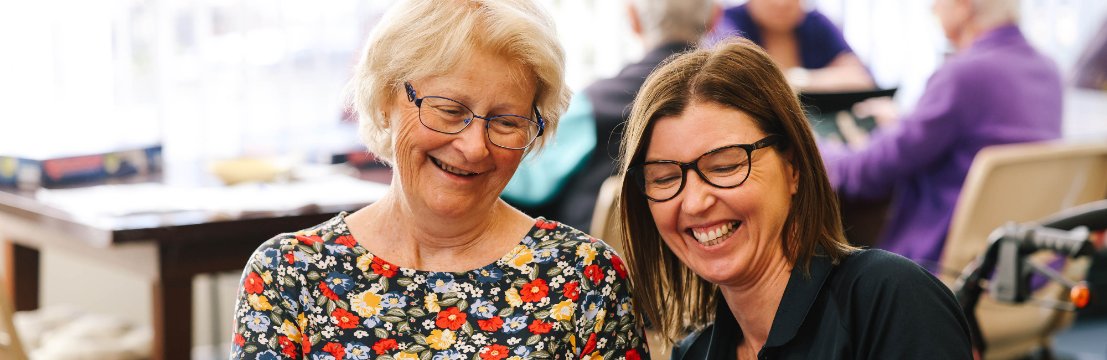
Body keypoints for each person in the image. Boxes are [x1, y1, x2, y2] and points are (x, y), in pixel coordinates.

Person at [229, 1, 649, 359]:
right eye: (449, 110)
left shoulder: (585, 277)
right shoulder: (288, 276)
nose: (474, 147)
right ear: (385, 97)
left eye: (506, 122)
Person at [616, 38, 973, 359]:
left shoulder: (891, 302)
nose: (694, 203)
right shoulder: (693, 353)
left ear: (794, 168)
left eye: (725, 166)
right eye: (664, 178)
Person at [821, 0, 1063, 271]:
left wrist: (820, 150)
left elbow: (870, 170)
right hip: (1024, 263)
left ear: (963, 6)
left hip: (944, 264)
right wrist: (904, 124)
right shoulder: (1047, 70)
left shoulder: (963, 75)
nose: (932, 9)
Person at [502, 0, 720, 232]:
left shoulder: (594, 105)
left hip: (596, 259)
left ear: (633, 20)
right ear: (715, 19)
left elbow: (528, 186)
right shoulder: (732, 99)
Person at [709, 0, 873, 92]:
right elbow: (745, 80)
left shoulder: (815, 22)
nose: (781, 3)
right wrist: (826, 79)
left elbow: (860, 78)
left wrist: (797, 78)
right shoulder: (728, 23)